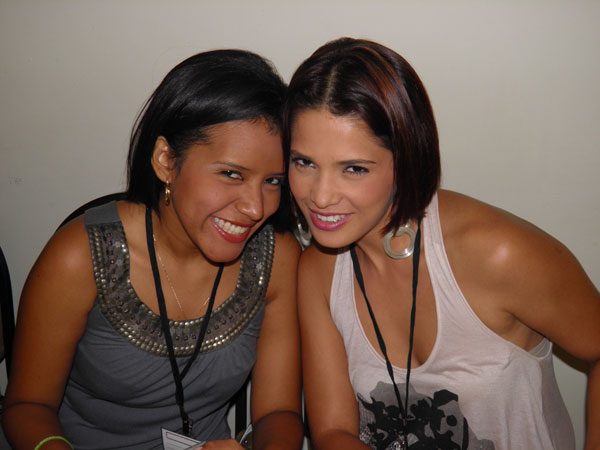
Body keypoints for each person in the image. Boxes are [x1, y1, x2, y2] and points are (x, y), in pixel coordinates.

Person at [284, 37, 600, 450]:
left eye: (354, 169)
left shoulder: (497, 254)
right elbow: (332, 431)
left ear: (407, 159)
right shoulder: (318, 272)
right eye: (304, 162)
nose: (321, 196)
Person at [2, 49, 303, 450]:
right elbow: (26, 406)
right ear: (165, 161)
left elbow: (278, 412)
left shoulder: (276, 257)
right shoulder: (81, 257)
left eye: (273, 181)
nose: (256, 207)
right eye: (232, 174)